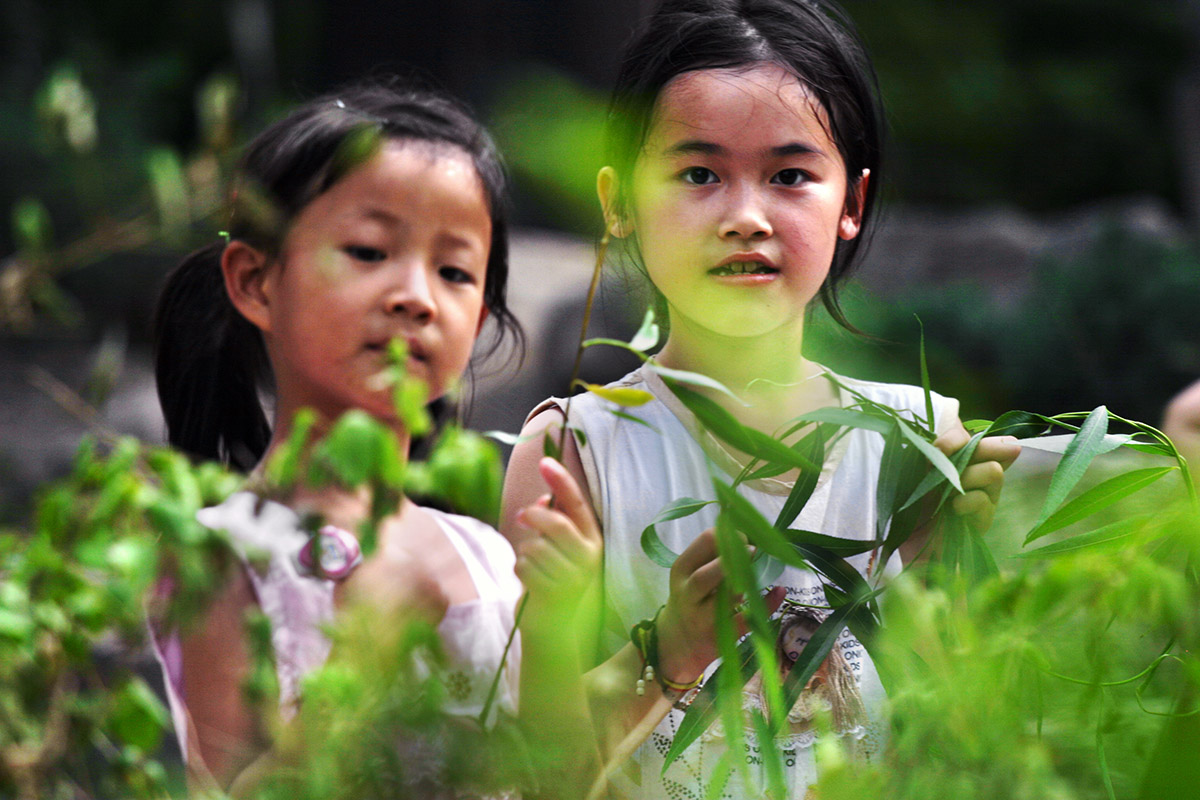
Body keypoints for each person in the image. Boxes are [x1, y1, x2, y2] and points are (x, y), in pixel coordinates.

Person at [500, 1, 1021, 796]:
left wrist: (968, 570)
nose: (745, 217)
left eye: (789, 176)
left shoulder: (917, 443)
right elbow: (535, 774)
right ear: (619, 200)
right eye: (699, 173)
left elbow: (963, 732)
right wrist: (668, 647)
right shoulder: (578, 451)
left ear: (851, 201)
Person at [152, 80, 601, 797]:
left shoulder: (486, 555)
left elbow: (562, 778)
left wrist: (554, 627)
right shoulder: (221, 557)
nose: (415, 296)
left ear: (479, 320)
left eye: (453, 271)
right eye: (367, 252)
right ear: (257, 281)